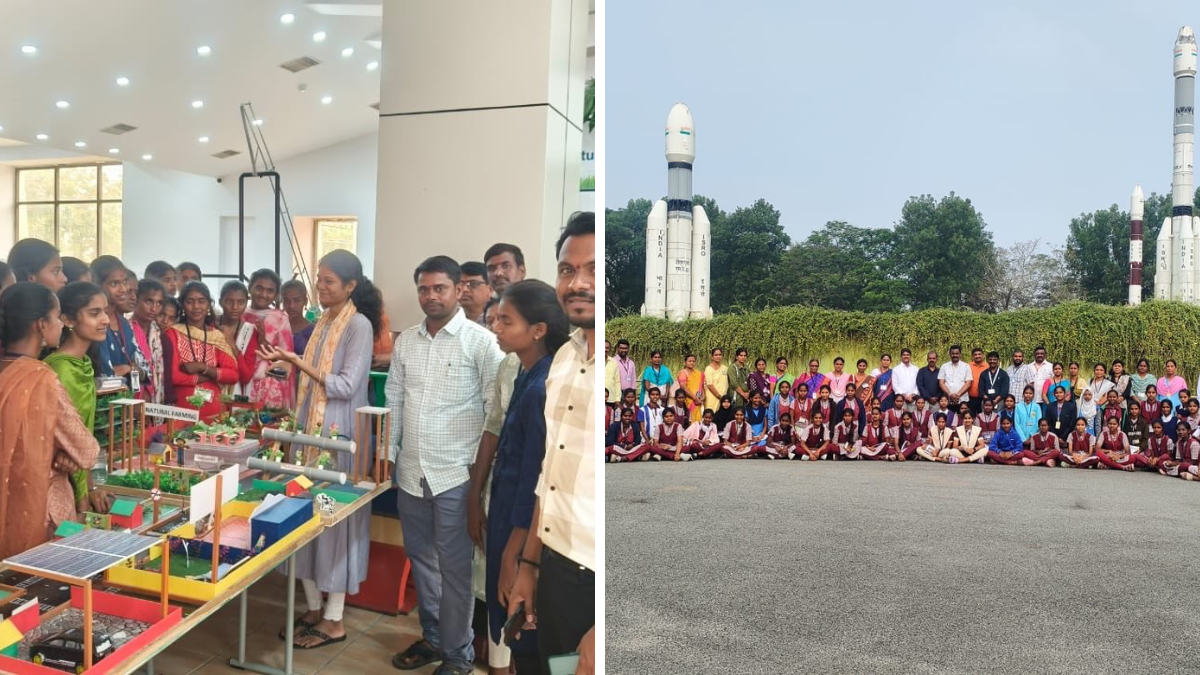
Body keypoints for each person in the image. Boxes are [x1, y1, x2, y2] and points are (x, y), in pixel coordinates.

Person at [257, 251, 383, 649]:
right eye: (319, 278)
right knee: (305, 519)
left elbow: (344, 386)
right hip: (309, 437)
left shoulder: (358, 324)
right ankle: (313, 607)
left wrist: (297, 360)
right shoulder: (323, 320)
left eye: (329, 281)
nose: (321, 286)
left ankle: (334, 618)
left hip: (339, 440)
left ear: (350, 286)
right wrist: (286, 365)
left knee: (334, 523)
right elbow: (314, 382)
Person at [386, 255, 503, 672]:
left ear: (459, 290)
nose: (431, 296)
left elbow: (495, 411)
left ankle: (458, 657)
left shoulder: (480, 342)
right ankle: (434, 639)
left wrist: (481, 482)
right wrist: (389, 457)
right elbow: (394, 401)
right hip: (411, 473)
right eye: (424, 288)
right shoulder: (406, 342)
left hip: (457, 476)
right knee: (421, 562)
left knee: (456, 573)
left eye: (440, 288)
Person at [479, 280, 566, 674]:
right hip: (505, 515)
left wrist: (514, 555)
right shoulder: (524, 374)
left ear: (538, 330)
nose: (496, 328)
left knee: (525, 629)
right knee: (516, 633)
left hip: (520, 526)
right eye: (495, 319)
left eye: (505, 321)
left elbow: (535, 482)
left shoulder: (541, 388)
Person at [0, 283, 99, 559]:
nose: (59, 324)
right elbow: (87, 451)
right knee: (39, 589)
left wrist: (56, 451)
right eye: (56, 317)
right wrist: (60, 455)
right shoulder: (41, 379)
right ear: (41, 325)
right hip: (40, 506)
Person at [44, 282, 113, 515]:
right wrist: (80, 495)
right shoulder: (61, 369)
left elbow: (84, 432)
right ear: (69, 320)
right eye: (95, 313)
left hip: (79, 472)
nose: (105, 320)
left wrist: (90, 487)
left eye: (105, 311)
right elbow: (63, 442)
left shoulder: (83, 363)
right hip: (58, 480)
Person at [168, 282, 238, 421]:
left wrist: (202, 367)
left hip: (214, 411)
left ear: (209, 304)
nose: (196, 307)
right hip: (182, 411)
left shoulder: (216, 336)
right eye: (190, 302)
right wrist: (211, 374)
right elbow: (174, 377)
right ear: (182, 305)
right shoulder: (172, 333)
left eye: (202, 301)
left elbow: (233, 375)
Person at [243, 269, 297, 409]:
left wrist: (263, 342)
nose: (263, 294)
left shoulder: (280, 319)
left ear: (276, 295)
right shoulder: (239, 313)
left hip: (268, 386)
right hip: (239, 380)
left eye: (270, 291)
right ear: (250, 288)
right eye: (259, 288)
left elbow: (286, 360)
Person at [91, 256, 147, 387]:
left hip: (126, 402)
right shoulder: (91, 324)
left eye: (125, 281)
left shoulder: (124, 323)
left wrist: (128, 369)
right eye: (114, 284)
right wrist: (128, 368)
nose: (123, 289)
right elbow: (99, 377)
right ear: (98, 285)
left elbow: (145, 371)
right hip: (98, 404)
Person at [129, 280, 172, 405]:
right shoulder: (126, 329)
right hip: (131, 400)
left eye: (159, 303)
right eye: (148, 301)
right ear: (136, 299)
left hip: (157, 401)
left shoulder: (159, 333)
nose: (154, 308)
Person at [217, 281, 259, 397]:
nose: (234, 307)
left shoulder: (250, 331)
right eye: (229, 301)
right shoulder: (210, 325)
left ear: (246, 303)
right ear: (221, 302)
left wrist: (232, 345)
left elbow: (246, 377)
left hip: (236, 397)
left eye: (240, 302)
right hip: (208, 392)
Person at [281, 280, 315, 358]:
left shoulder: (313, 331)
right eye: (286, 301)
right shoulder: (277, 327)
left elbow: (315, 360)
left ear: (305, 301)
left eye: (297, 300)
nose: (291, 306)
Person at [938, 345, 972, 410]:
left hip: (962, 399)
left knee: (963, 418)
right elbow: (941, 383)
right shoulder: (944, 366)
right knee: (949, 418)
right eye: (953, 353)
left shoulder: (966, 366)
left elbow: (968, 383)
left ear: (960, 354)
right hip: (948, 400)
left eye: (957, 353)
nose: (955, 355)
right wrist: (950, 394)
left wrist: (958, 395)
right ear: (950, 354)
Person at [675, 354, 705, 423]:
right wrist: (695, 398)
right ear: (685, 362)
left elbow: (702, 386)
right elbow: (684, 388)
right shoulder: (683, 373)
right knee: (689, 421)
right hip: (689, 401)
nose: (692, 363)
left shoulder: (699, 373)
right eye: (690, 361)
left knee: (698, 422)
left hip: (698, 401)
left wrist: (703, 398)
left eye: (693, 361)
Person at [966, 348, 988, 414]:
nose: (977, 356)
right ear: (972, 356)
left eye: (979, 354)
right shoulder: (968, 366)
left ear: (983, 355)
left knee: (982, 417)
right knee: (971, 416)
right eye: (975, 354)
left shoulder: (987, 366)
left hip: (983, 398)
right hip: (970, 398)